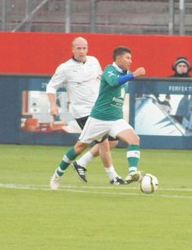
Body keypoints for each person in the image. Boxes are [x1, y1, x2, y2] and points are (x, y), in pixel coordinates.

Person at [50, 46, 146, 190]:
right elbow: (114, 82)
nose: (130, 61)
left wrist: (131, 74)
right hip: (99, 119)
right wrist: (134, 74)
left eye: (131, 58)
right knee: (79, 148)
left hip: (116, 119)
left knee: (134, 139)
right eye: (127, 58)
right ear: (118, 58)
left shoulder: (125, 73)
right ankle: (56, 176)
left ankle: (132, 173)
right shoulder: (109, 70)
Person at [46, 36, 125, 185]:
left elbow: (101, 79)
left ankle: (80, 163)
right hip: (83, 112)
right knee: (103, 143)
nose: (82, 51)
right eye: (79, 48)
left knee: (112, 142)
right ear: (73, 49)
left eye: (84, 48)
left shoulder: (94, 61)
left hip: (99, 109)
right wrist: (52, 105)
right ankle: (113, 177)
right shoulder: (65, 68)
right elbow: (51, 86)